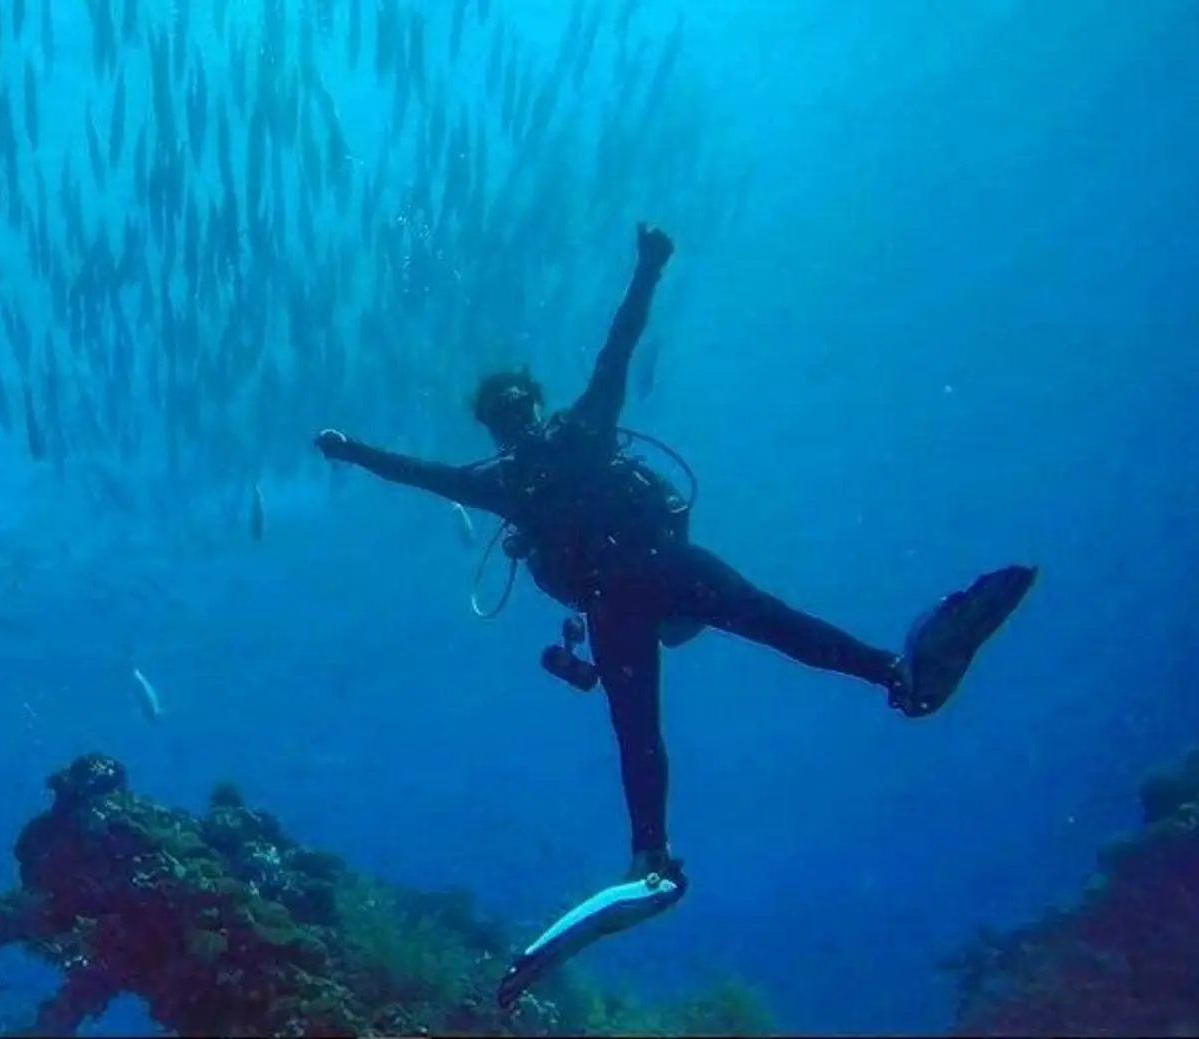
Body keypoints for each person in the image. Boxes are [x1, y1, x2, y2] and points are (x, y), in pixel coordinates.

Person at [311, 223, 1037, 1007]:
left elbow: (613, 349)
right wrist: (354, 452)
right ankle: (660, 848)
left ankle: (883, 685)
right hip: (635, 587)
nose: (513, 418)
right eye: (503, 413)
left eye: (514, 406)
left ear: (526, 409)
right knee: (668, 702)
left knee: (753, 636)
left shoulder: (552, 449)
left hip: (641, 582)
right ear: (503, 424)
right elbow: (428, 471)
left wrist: (649, 266)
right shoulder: (533, 463)